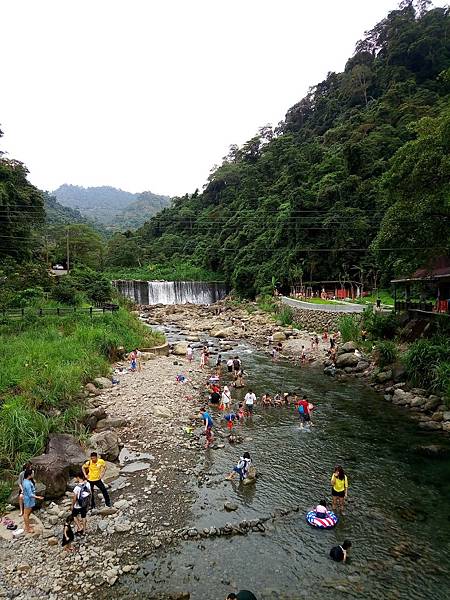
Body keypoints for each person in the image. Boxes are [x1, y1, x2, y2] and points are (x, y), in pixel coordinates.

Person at [22, 468, 44, 534]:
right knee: (26, 514)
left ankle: (27, 526)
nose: (33, 474)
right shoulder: (27, 483)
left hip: (29, 499)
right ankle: (27, 528)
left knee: (28, 513)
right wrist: (38, 497)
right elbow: (30, 494)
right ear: (29, 475)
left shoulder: (27, 481)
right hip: (28, 500)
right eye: (32, 473)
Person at [72, 471, 91, 536]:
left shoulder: (76, 488)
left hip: (78, 505)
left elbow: (74, 499)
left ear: (77, 477)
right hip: (85, 503)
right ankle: (84, 531)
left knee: (74, 515)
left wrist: (72, 505)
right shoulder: (87, 484)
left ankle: (80, 527)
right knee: (83, 516)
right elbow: (89, 492)